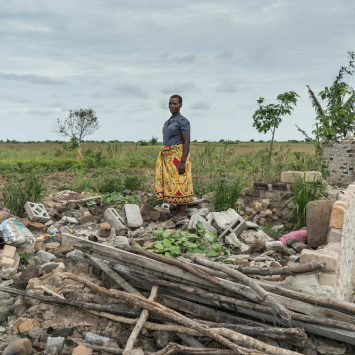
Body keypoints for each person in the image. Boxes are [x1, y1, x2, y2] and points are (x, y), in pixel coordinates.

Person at [155, 94, 193, 221]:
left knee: (181, 182)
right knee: (172, 183)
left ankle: (182, 213)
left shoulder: (183, 121)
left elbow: (186, 142)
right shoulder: (168, 121)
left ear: (180, 105)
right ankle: (176, 210)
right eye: (170, 103)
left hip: (178, 157)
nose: (172, 106)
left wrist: (182, 161)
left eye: (175, 104)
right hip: (168, 159)